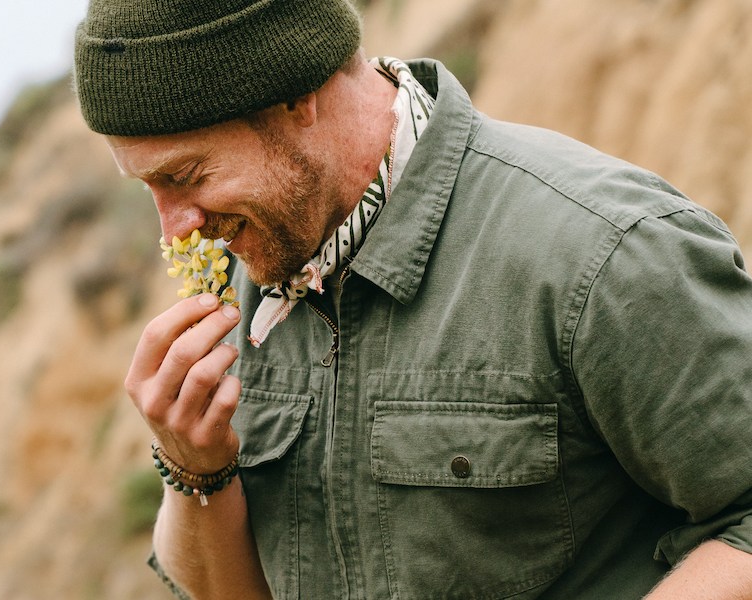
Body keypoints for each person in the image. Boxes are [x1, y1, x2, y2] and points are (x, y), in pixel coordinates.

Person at [73, 0, 752, 598]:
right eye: (148, 189)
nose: (173, 229)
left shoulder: (602, 250)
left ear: (295, 97)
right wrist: (194, 472)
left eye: (185, 175)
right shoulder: (243, 274)